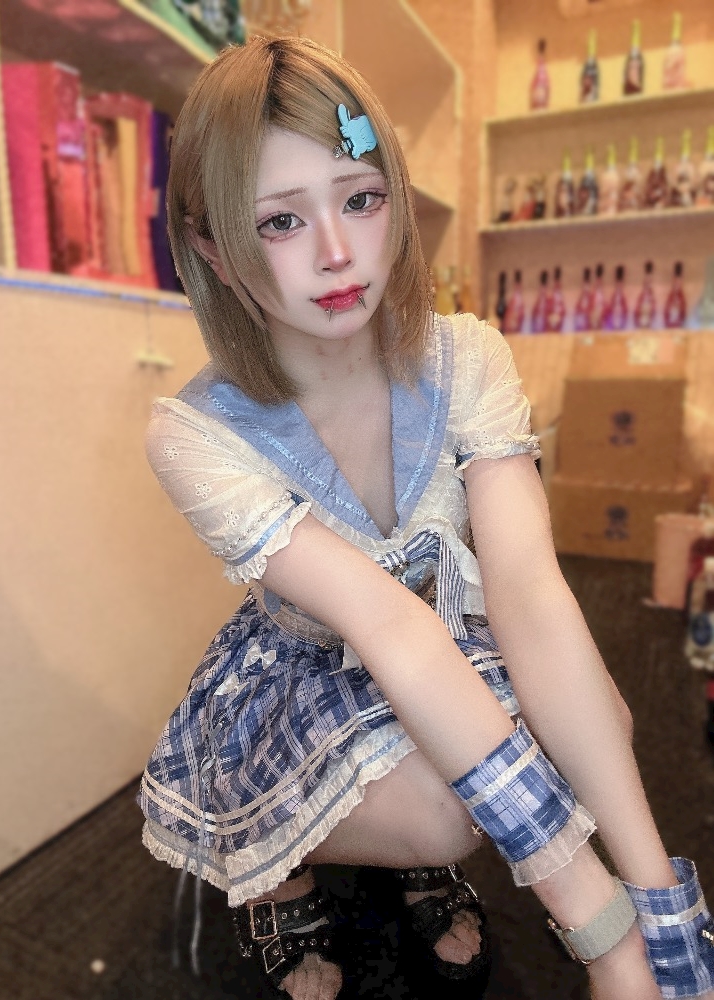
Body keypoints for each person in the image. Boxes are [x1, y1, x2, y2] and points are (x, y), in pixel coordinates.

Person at [138, 34, 714, 1000]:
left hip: (442, 636)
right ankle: (279, 872)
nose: (337, 253)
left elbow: (529, 592)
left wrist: (663, 909)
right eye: (280, 221)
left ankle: (442, 840)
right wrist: (607, 938)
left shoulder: (466, 358)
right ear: (214, 253)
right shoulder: (192, 432)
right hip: (306, 665)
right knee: (446, 815)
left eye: (362, 200)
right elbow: (384, 624)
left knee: (599, 720)